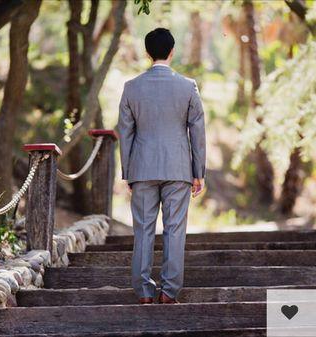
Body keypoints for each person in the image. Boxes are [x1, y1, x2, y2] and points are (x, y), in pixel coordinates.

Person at [117, 27, 206, 305]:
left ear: (147, 53)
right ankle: (169, 291)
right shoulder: (187, 86)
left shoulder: (132, 88)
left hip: (142, 168)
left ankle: (144, 292)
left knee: (142, 229)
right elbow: (197, 131)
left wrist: (128, 173)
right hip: (178, 168)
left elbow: (125, 132)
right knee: (175, 229)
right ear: (172, 51)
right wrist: (198, 172)